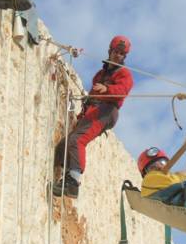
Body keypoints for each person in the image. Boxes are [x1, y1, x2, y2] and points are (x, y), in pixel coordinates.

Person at [53, 36, 134, 198]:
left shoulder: (124, 73)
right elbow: (91, 98)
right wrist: (82, 115)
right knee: (65, 145)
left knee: (77, 140)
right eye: (116, 52)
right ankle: (65, 174)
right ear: (110, 51)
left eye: (122, 54)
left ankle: (73, 182)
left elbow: (123, 90)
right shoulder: (99, 75)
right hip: (95, 109)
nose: (118, 55)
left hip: (107, 110)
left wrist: (107, 89)